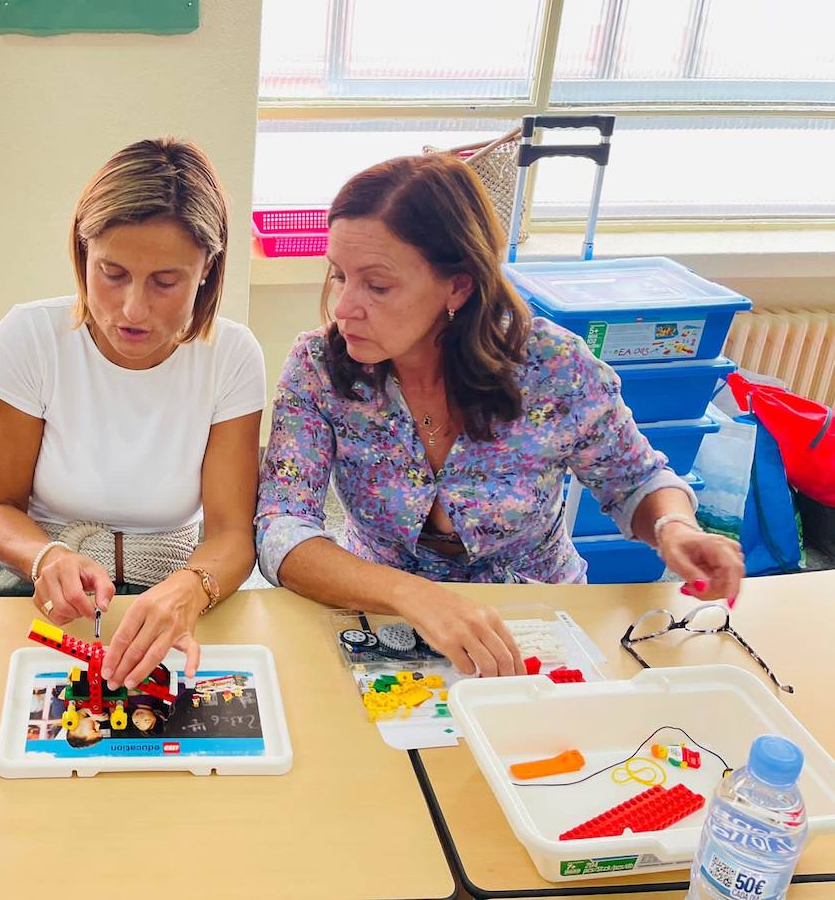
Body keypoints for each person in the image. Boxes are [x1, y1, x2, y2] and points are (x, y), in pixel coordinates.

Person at [256, 155, 744, 676]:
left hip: (535, 622)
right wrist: (411, 596)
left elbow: (636, 481)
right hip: (384, 618)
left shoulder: (554, 367)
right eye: (338, 276)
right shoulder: (318, 367)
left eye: (377, 286)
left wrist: (673, 528)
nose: (344, 306)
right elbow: (282, 528)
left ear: (458, 286)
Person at [0, 138, 264, 692]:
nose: (133, 308)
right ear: (82, 254)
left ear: (208, 269)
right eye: (112, 272)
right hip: (41, 575)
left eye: (165, 281)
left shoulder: (232, 355)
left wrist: (189, 589)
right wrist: (45, 556)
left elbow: (230, 535)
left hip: (176, 575)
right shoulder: (29, 337)